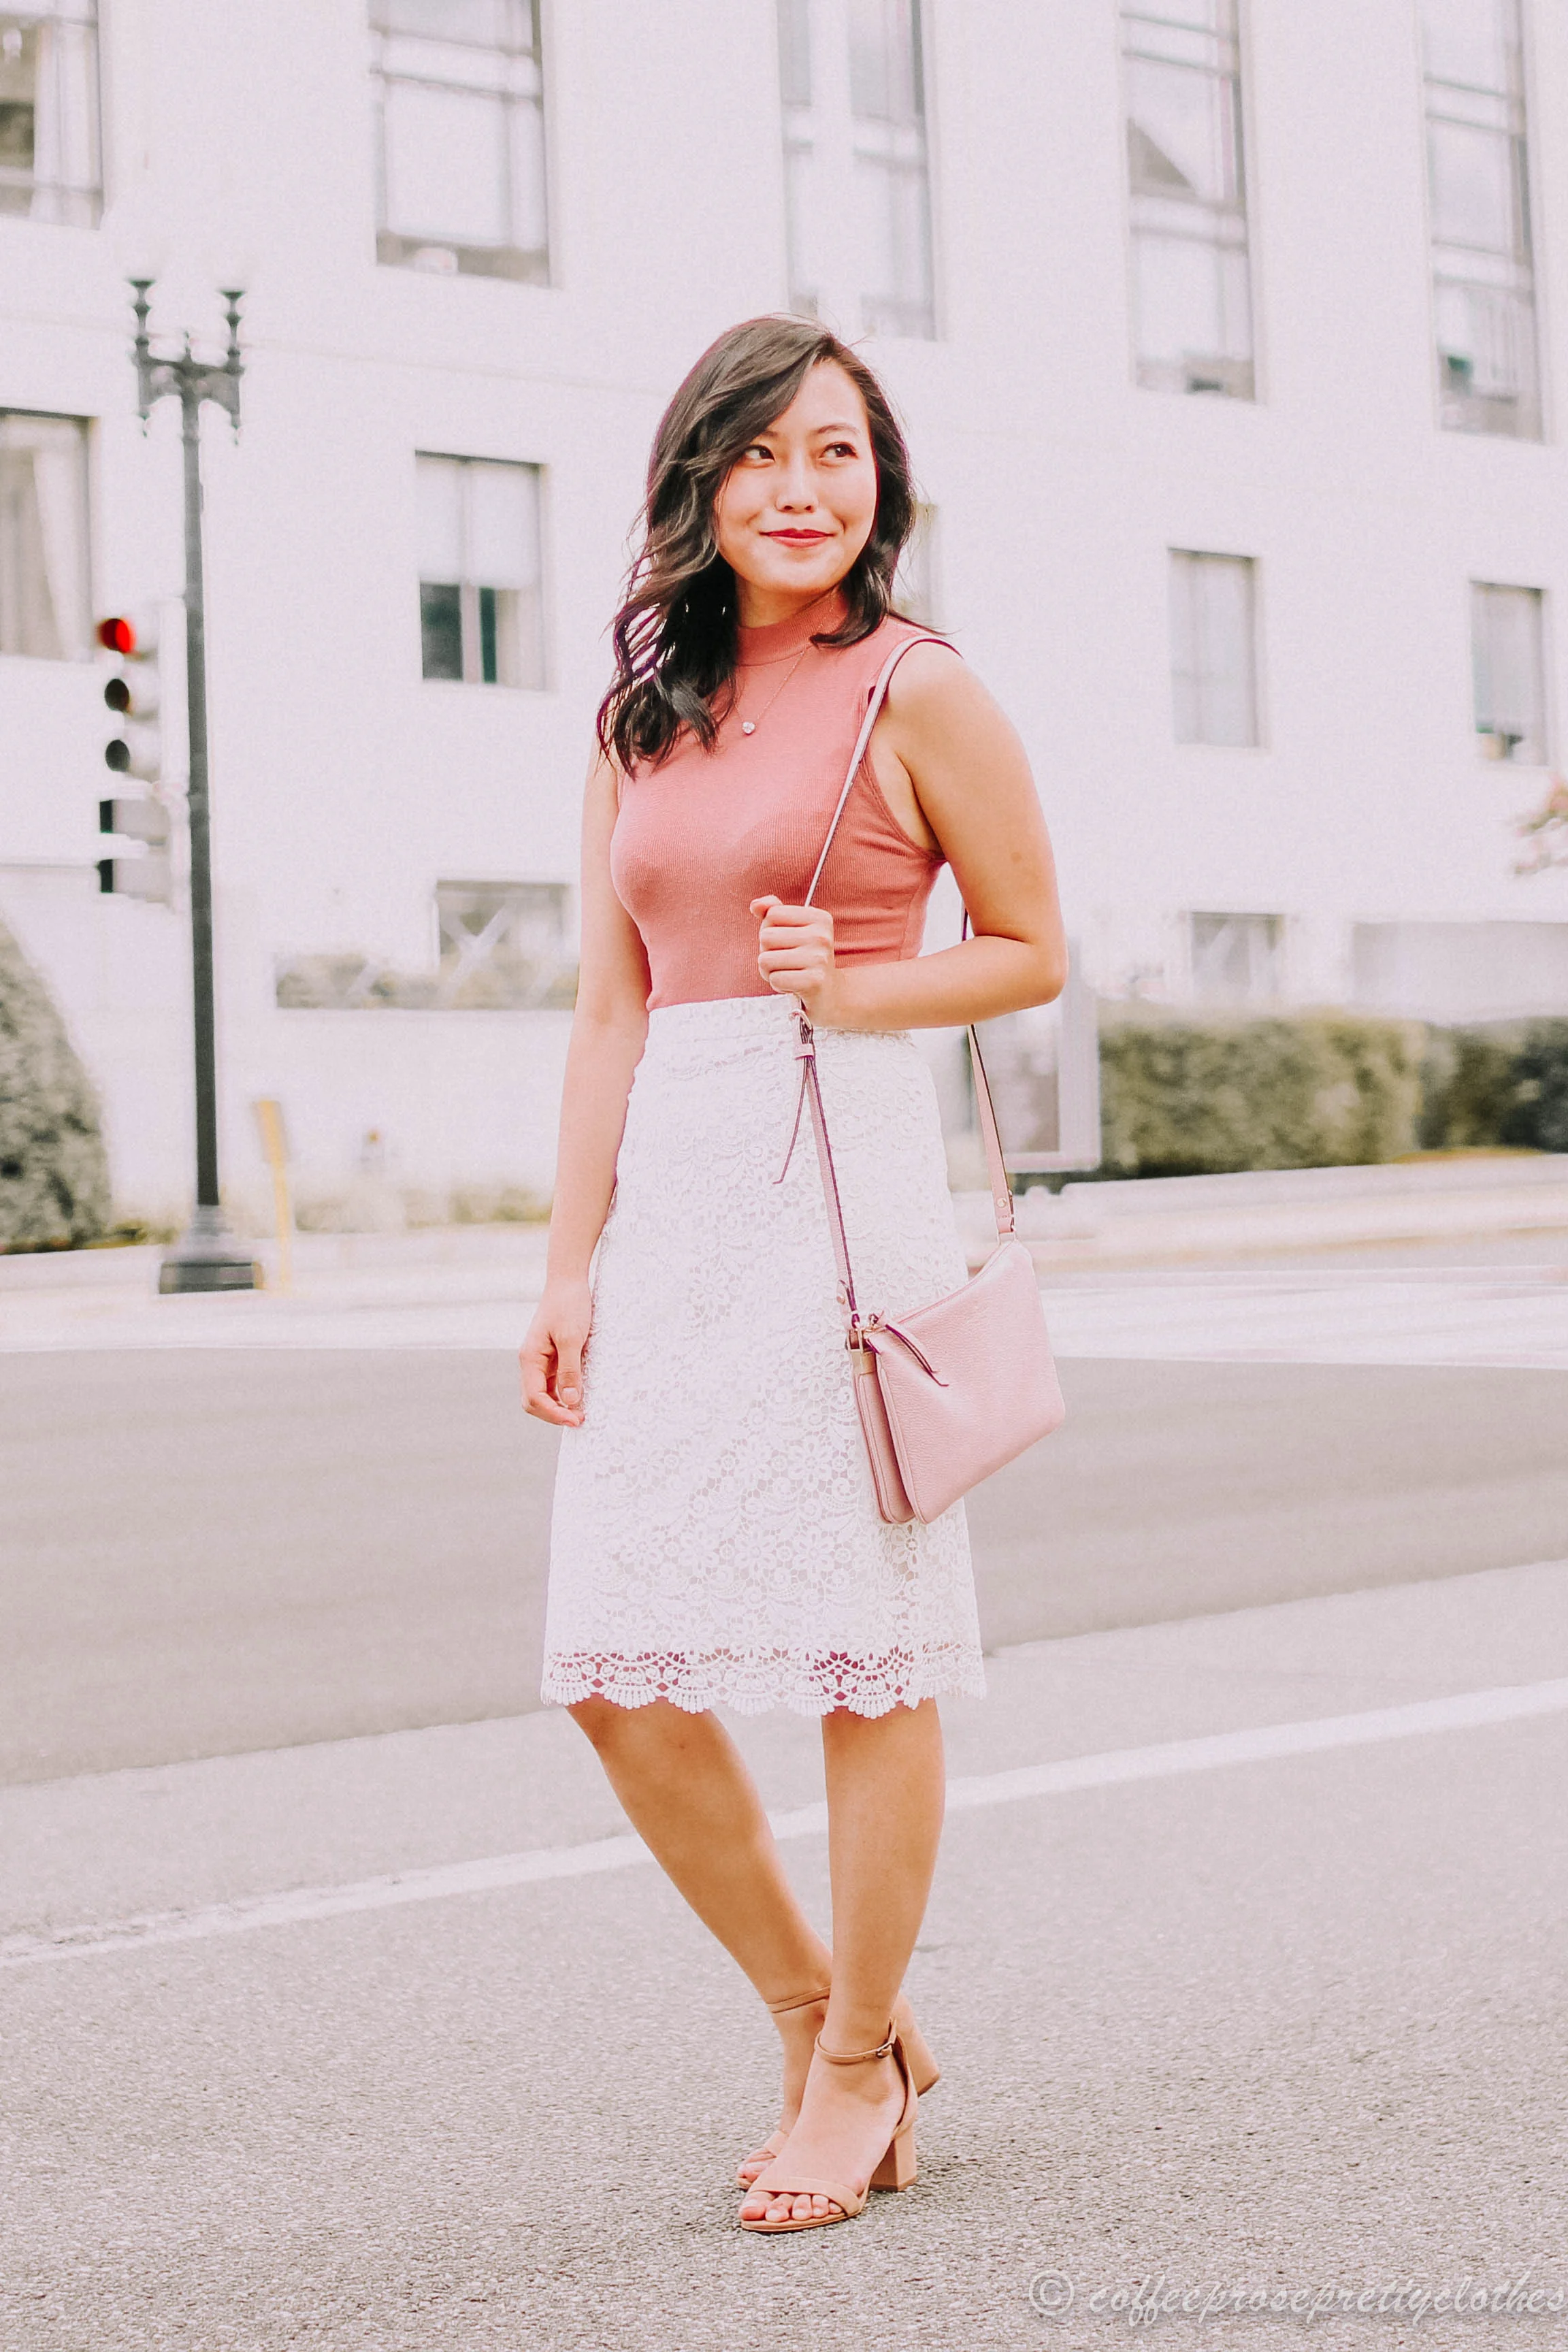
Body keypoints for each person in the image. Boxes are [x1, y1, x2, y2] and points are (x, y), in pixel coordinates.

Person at [521, 315, 1066, 2233]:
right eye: (764, 455)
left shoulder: (919, 687)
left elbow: (1029, 945)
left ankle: (849, 2073)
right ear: (703, 480)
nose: (804, 489)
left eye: (837, 453)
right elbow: (608, 1008)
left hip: (843, 1166)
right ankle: (820, 2008)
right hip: (676, 1184)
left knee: (864, 1650)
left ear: (879, 480)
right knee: (611, 1663)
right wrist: (570, 1261)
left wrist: (862, 983)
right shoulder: (638, 705)